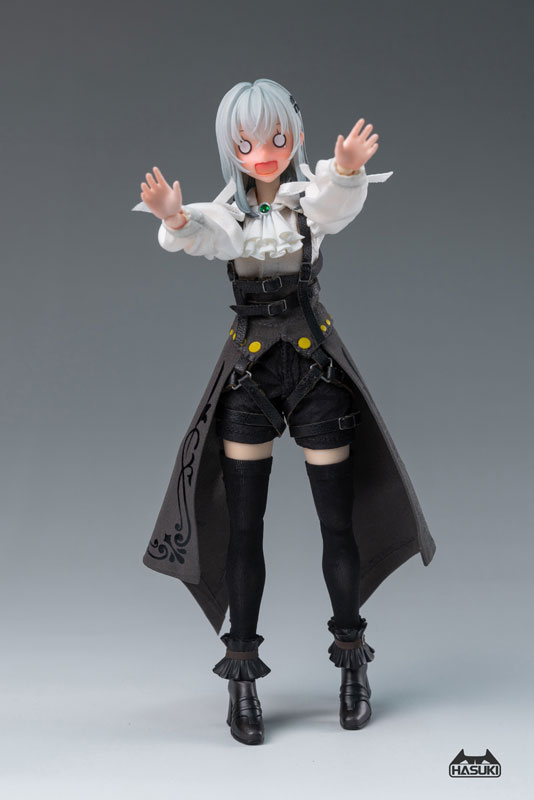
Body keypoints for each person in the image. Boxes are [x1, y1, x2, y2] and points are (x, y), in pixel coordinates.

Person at [134, 78, 436, 745]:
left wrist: (348, 170)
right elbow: (201, 240)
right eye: (246, 141)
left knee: (337, 524)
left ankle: (352, 664)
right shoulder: (227, 217)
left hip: (313, 368)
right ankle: (241, 679)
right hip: (249, 374)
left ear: (294, 135)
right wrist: (174, 218)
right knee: (244, 530)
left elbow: (336, 202)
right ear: (230, 148)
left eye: (275, 136)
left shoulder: (308, 203)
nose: (263, 151)